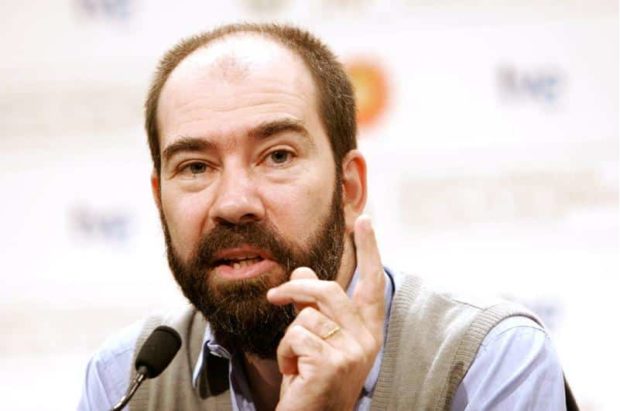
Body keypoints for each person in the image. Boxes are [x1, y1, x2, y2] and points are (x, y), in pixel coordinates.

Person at [78, 23, 574, 410]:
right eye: (195, 167)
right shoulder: (124, 381)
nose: (233, 203)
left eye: (278, 156)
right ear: (159, 198)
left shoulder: (487, 360)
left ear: (348, 189)